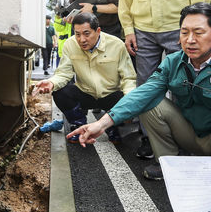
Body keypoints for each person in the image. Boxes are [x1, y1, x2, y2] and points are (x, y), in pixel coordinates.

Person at [68, 3, 211, 204]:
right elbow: (145, 92)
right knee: (149, 102)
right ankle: (171, 167)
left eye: (199, 33)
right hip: (188, 134)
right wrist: (102, 124)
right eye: (184, 32)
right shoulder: (173, 61)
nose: (190, 40)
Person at [119, 0, 210, 159]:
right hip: (143, 30)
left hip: (179, 28)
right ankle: (151, 139)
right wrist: (128, 29)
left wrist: (197, 27)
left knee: (185, 84)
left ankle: (189, 139)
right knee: (146, 86)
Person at [34, 13, 136, 144]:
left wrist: (130, 102)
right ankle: (78, 124)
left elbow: (128, 77)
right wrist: (51, 82)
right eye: (77, 34)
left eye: (87, 34)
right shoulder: (70, 45)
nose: (81, 39)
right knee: (60, 92)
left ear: (98, 31)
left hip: (111, 96)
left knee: (126, 97)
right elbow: (64, 73)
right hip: (85, 94)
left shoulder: (116, 45)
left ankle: (112, 126)